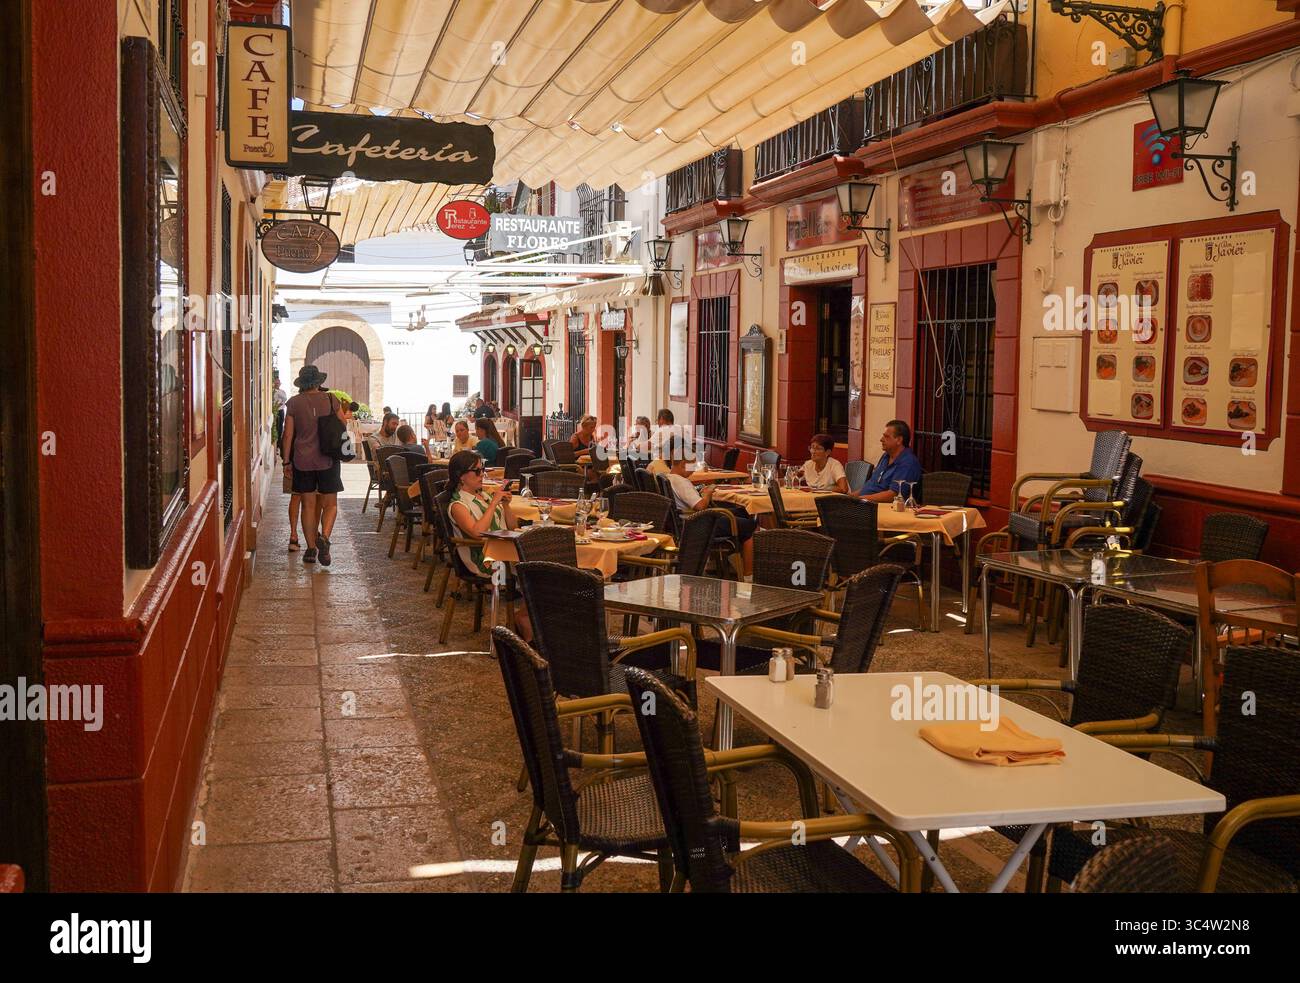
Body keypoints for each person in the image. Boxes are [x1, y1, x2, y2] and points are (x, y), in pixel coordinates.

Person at [280, 364, 342, 566]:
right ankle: (324, 536)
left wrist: (286, 461)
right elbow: (342, 426)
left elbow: (288, 434)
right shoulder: (332, 399)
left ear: (302, 383)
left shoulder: (294, 403)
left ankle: (311, 548)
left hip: (302, 460)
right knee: (330, 504)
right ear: (318, 382)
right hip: (328, 460)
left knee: (307, 505)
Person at [664, 438, 755, 575]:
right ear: (683, 464)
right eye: (692, 466)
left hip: (686, 522)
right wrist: (708, 493)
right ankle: (748, 575)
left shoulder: (668, 478)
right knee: (749, 527)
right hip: (699, 524)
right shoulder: (682, 482)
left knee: (742, 512)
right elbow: (701, 506)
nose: (694, 470)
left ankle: (731, 559)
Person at [860, 419, 924, 503]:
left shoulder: (908, 462)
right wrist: (848, 497)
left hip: (879, 508)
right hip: (864, 504)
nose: (881, 439)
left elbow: (893, 495)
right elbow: (870, 485)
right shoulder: (885, 456)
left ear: (899, 440)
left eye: (886, 437)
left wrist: (861, 500)